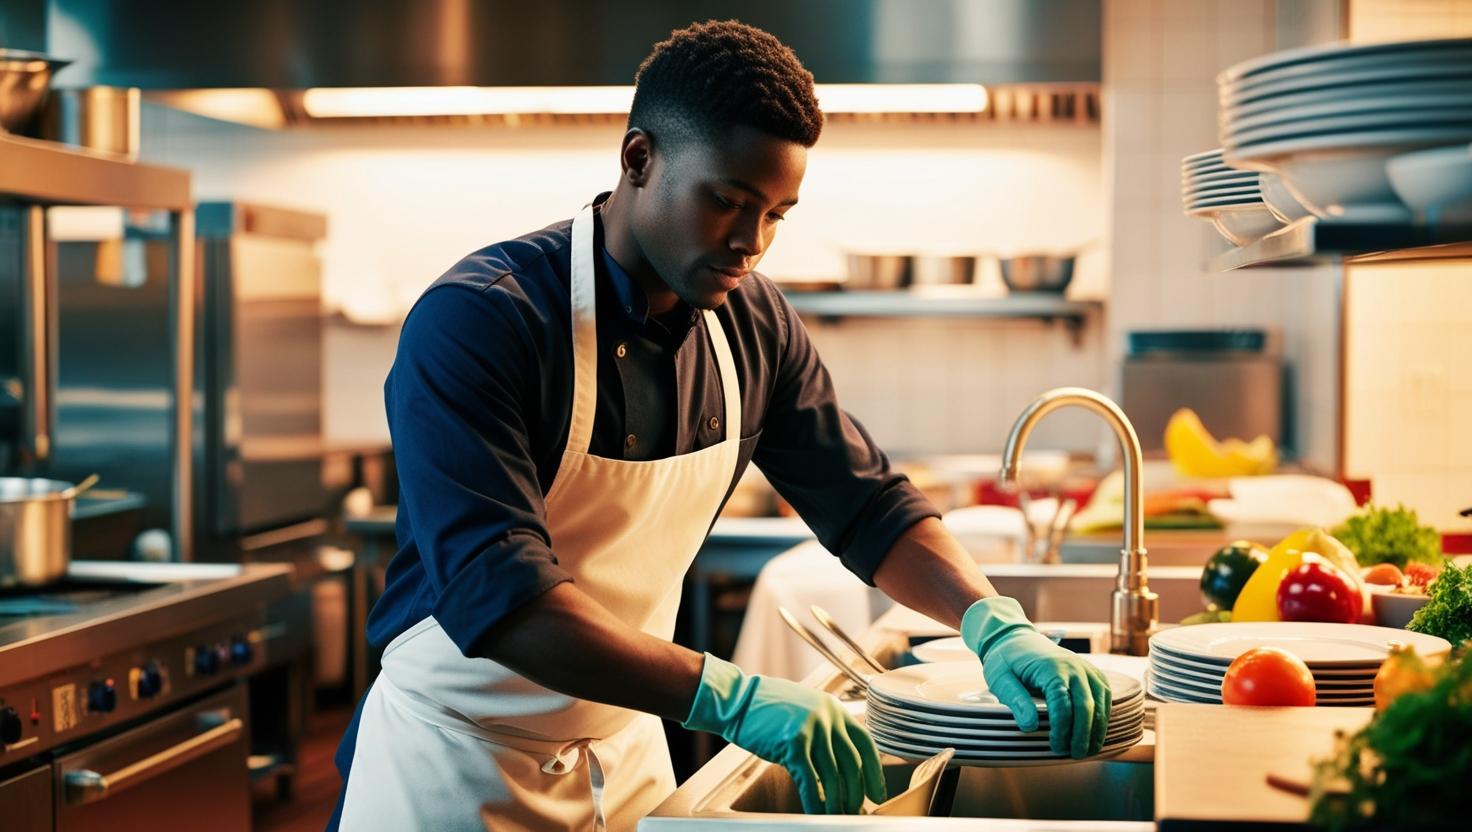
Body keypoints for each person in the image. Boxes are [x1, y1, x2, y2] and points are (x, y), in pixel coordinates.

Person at [330, 19, 1110, 831]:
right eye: (728, 202)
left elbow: (869, 508)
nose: (752, 242)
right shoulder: (484, 320)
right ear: (639, 159)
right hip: (454, 767)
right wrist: (728, 697)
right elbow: (502, 598)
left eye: (777, 213)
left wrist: (991, 623)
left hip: (623, 754)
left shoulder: (753, 324)